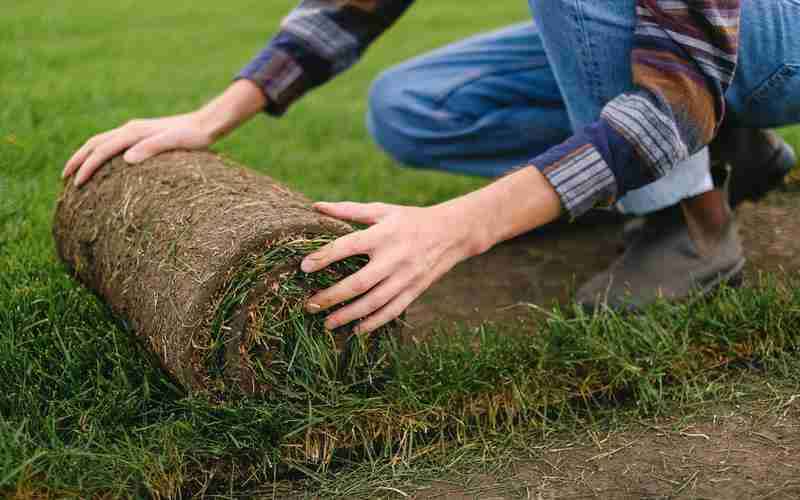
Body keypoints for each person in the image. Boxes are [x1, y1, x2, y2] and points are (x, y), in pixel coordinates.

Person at [63, 0, 800, 334]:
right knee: (412, 105)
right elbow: (351, 6)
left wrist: (460, 226)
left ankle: (689, 222)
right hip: (677, 43)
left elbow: (676, 96)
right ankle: (725, 153)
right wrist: (211, 116)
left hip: (768, 40)